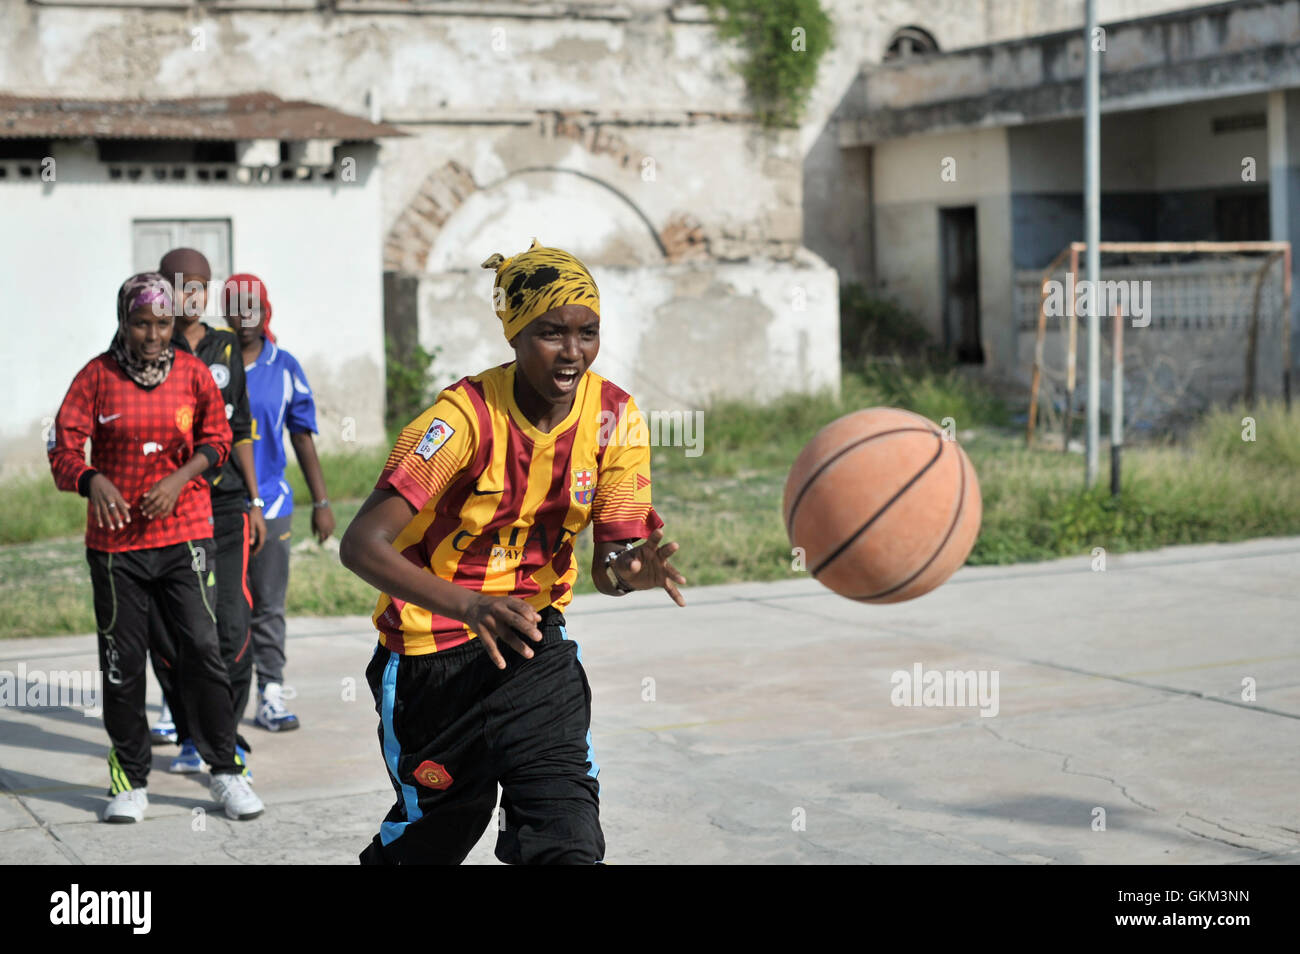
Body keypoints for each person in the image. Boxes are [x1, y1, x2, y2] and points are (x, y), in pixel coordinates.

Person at [340, 238, 687, 865]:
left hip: (533, 644)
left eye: (587, 332)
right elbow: (362, 545)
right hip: (431, 659)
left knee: (565, 830)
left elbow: (611, 564)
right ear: (515, 335)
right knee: (441, 830)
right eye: (552, 333)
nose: (573, 351)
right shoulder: (460, 419)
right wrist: (471, 606)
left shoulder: (615, 417)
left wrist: (630, 570)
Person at [48, 273, 264, 822]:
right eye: (140, 323)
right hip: (115, 548)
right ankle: (130, 779)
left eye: (162, 323)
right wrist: (91, 479)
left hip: (184, 537)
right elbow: (63, 447)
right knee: (122, 663)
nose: (152, 334)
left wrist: (180, 479)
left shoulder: (192, 374)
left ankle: (226, 770)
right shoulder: (96, 377)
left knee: (203, 650)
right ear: (123, 321)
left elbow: (218, 439)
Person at [147, 249, 265, 778]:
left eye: (199, 286)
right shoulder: (148, 346)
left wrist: (255, 501)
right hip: (171, 508)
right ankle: (190, 734)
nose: (190, 296)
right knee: (175, 633)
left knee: (232, 627)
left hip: (226, 505)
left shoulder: (225, 346)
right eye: (180, 286)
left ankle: (225, 736)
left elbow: (240, 430)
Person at [224, 273, 334, 731]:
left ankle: (270, 692)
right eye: (237, 308)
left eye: (254, 307)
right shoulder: (211, 363)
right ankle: (201, 701)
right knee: (217, 606)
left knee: (268, 605)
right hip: (218, 507)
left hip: (272, 504)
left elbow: (302, 436)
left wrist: (321, 501)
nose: (246, 317)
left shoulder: (284, 366)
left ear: (265, 311)